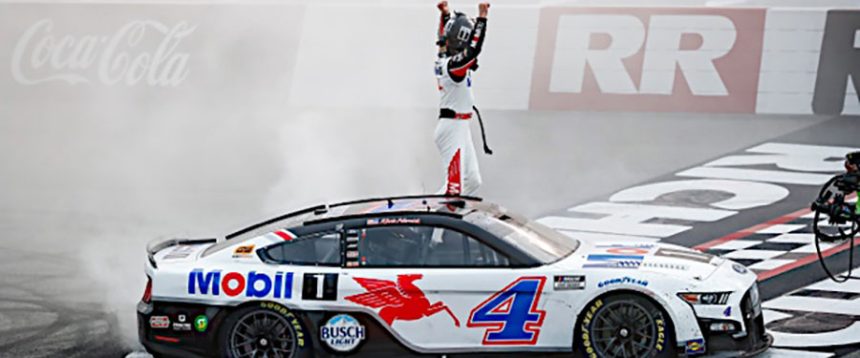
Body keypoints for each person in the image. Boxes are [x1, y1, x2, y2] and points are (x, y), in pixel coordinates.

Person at [434, 1, 490, 196]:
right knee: (454, 188)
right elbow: (473, 51)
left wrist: (445, 14)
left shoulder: (445, 57)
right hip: (452, 127)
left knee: (472, 180)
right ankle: (429, 220)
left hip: (459, 125)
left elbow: (444, 39)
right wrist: (482, 17)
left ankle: (436, 211)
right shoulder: (452, 68)